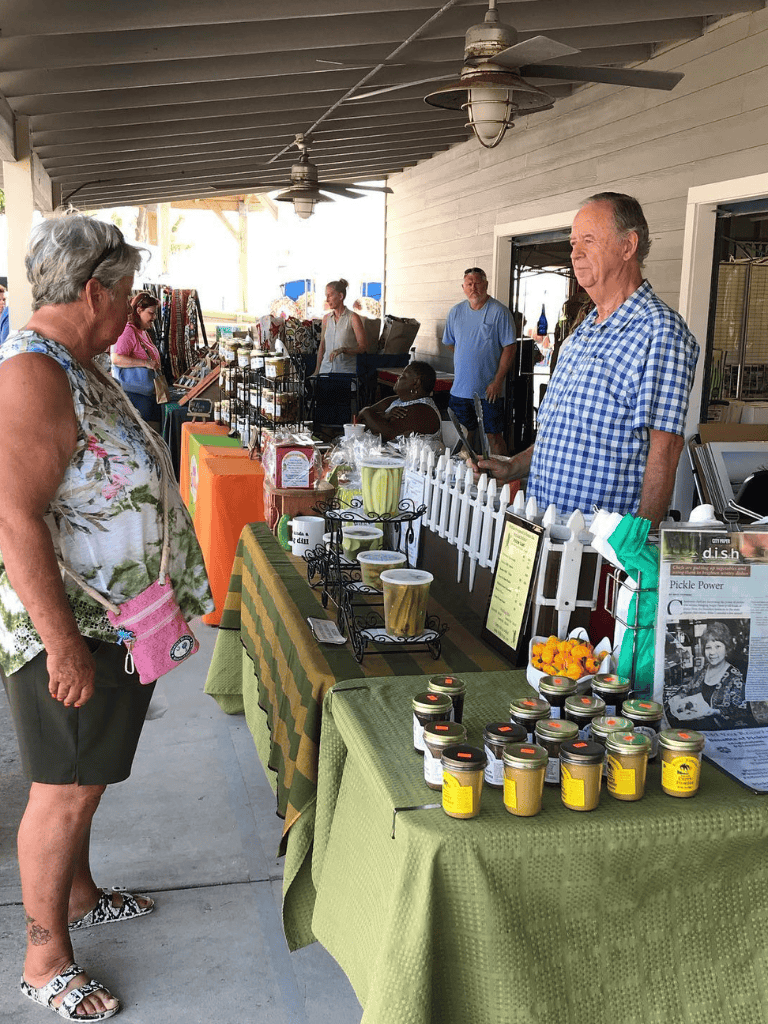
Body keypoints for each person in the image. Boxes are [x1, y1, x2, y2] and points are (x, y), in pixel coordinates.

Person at [0, 214, 213, 1020]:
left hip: (112, 620)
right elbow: (13, 516)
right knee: (62, 789)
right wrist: (61, 644)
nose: (133, 306)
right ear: (95, 290)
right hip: (72, 628)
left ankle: (80, 893)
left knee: (87, 783)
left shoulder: (73, 360)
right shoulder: (31, 372)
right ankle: (45, 955)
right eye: (127, 290)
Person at [477, 193, 699, 529]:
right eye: (573, 242)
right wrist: (514, 466)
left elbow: (665, 448)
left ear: (628, 246)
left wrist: (635, 544)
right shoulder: (582, 334)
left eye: (589, 240)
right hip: (543, 529)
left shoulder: (659, 331)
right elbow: (565, 436)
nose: (575, 253)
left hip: (597, 548)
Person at [443, 267, 517, 455]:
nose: (473, 287)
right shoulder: (455, 312)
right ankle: (468, 477)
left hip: (488, 391)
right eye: (469, 284)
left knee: (493, 437)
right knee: (462, 436)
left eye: (477, 283)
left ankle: (503, 478)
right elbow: (451, 344)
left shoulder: (499, 312)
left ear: (486, 284)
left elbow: (510, 347)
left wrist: (497, 381)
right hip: (460, 389)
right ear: (463, 287)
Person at [667, 622, 749, 729]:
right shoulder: (703, 671)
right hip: (695, 730)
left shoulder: (735, 677)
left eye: (718, 646)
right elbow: (687, 689)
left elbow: (741, 712)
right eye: (708, 647)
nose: (712, 652)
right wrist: (679, 696)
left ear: (727, 648)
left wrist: (716, 712)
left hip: (720, 732)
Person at [357, 360, 444, 452]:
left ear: (416, 383)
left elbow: (388, 435)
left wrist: (366, 411)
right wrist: (384, 417)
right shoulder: (395, 400)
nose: (398, 378)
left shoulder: (423, 410)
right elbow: (357, 422)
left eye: (403, 376)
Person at [110, 290, 162, 422]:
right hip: (135, 396)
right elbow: (116, 358)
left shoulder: (142, 331)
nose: (154, 317)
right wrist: (145, 363)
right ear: (139, 310)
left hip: (144, 393)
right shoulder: (128, 331)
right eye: (151, 313)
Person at [312, 278, 367, 376]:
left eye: (330, 295)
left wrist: (344, 350)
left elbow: (362, 347)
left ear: (341, 296)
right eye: (326, 296)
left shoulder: (353, 318)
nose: (327, 299)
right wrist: (317, 371)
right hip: (325, 371)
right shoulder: (326, 319)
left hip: (345, 373)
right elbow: (322, 346)